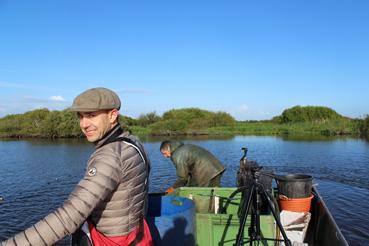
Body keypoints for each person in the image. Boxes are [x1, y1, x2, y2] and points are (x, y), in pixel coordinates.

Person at [1, 87, 152, 246]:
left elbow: (70, 215)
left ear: (112, 115)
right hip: (138, 234)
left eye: (91, 115)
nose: (84, 124)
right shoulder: (133, 143)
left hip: (113, 241)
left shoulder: (110, 156)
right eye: (80, 116)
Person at [160, 140, 225, 193]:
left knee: (205, 195)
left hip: (207, 172)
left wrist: (172, 188)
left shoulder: (178, 155)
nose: (165, 156)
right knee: (213, 194)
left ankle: (205, 209)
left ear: (168, 149)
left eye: (164, 153)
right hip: (216, 167)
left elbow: (182, 178)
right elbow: (188, 174)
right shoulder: (185, 147)